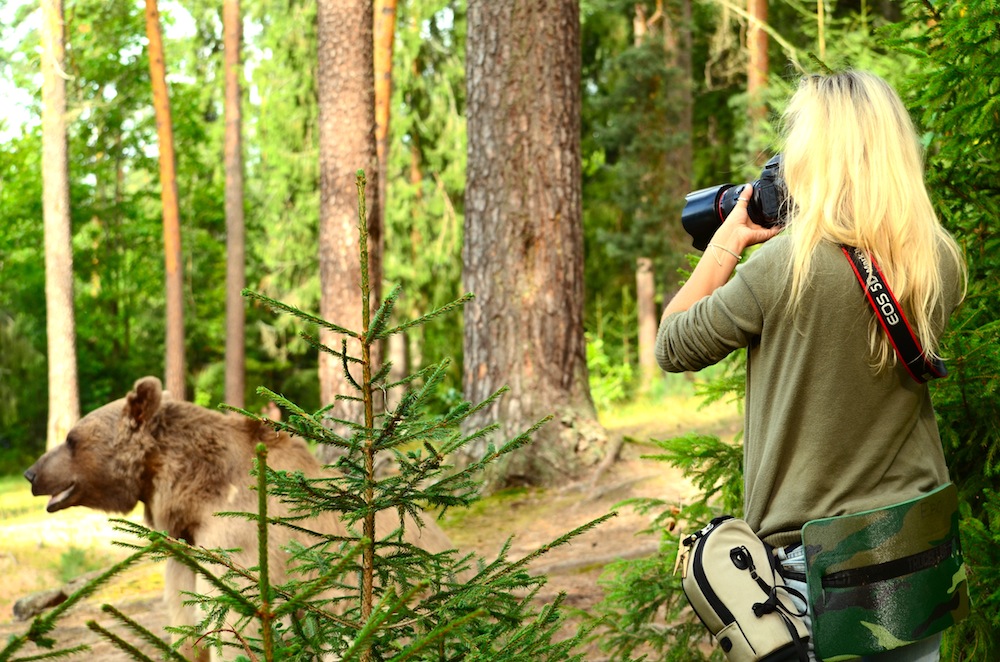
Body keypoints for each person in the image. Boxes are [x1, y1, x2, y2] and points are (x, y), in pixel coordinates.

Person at [655, 70, 966, 661]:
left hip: (820, 564)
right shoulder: (936, 260)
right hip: (919, 548)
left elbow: (673, 344)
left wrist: (729, 240)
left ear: (814, 154)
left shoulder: (786, 268)